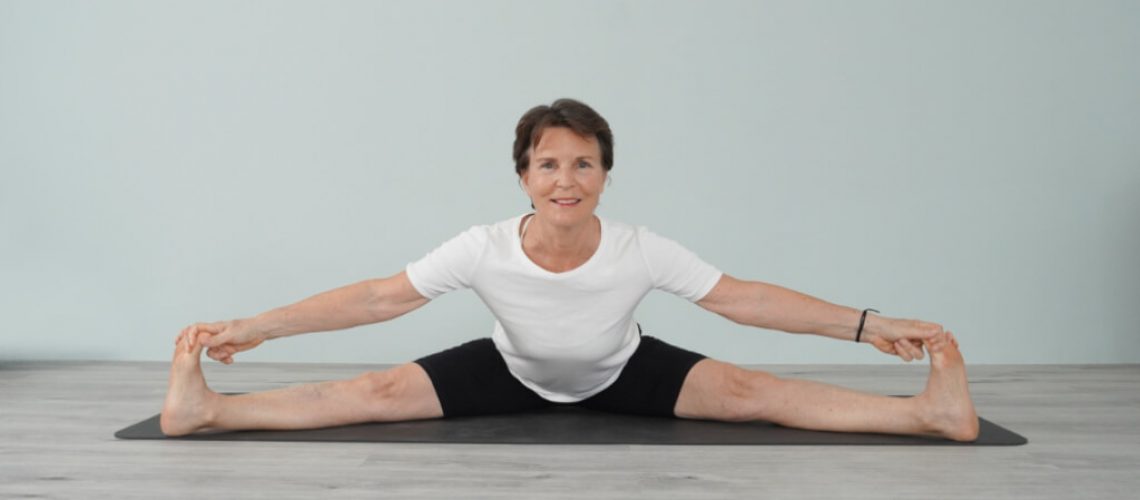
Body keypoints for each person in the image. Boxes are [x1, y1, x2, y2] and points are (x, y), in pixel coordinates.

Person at [161, 98, 979, 442]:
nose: (566, 181)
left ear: (605, 176)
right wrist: (252, 328)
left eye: (584, 165)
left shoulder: (638, 247)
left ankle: (927, 417)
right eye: (549, 165)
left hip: (620, 369)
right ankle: (206, 413)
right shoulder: (482, 244)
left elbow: (746, 300)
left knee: (749, 392)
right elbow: (378, 298)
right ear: (523, 175)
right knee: (371, 394)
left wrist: (870, 327)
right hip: (510, 371)